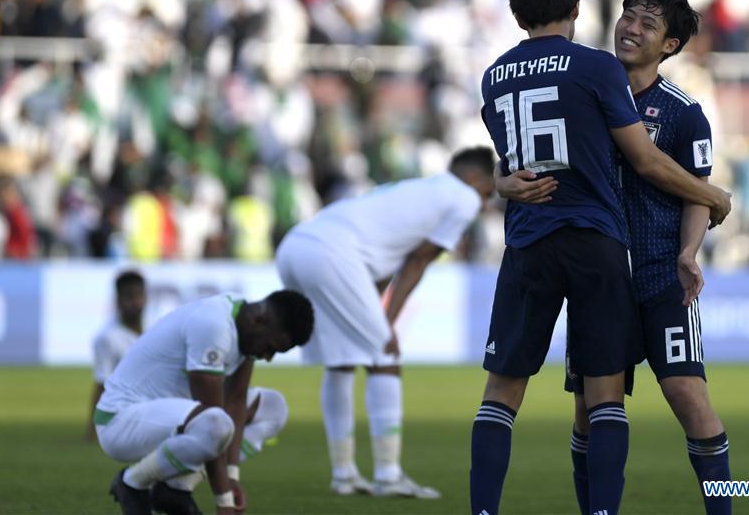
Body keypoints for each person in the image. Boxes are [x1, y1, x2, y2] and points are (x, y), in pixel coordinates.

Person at [471, 0, 731, 515]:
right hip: (600, 259)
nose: (631, 28)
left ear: (670, 45)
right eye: (628, 15)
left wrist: (689, 250)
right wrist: (501, 181)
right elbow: (547, 155)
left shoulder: (683, 113)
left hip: (656, 273)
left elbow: (689, 189)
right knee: (590, 409)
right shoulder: (591, 75)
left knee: (688, 398)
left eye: (647, 23)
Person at [275, 147, 496, 499]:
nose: (483, 205)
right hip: (333, 254)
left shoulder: (417, 189)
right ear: (473, 179)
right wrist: (387, 322)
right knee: (385, 355)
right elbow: (418, 262)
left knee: (341, 360)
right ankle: (388, 475)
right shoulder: (462, 197)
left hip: (296, 246)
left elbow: (380, 268)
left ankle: (344, 475)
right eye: (486, 193)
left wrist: (378, 317)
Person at [93, 290, 313, 515]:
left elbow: (236, 399)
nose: (268, 357)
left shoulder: (246, 325)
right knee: (216, 424)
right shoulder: (214, 326)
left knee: (273, 408)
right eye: (270, 347)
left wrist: (231, 476)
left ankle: (175, 490)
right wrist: (224, 501)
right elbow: (214, 421)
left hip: (167, 417)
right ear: (258, 321)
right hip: (120, 421)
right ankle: (132, 483)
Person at [86, 269, 147, 442]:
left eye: (139, 295)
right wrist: (93, 429)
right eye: (129, 297)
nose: (136, 302)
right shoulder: (107, 337)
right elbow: (101, 384)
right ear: (118, 301)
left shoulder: (157, 327)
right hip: (127, 413)